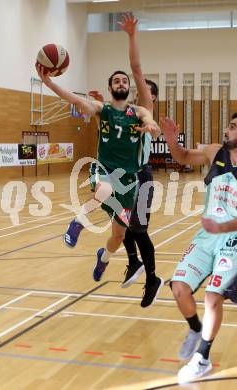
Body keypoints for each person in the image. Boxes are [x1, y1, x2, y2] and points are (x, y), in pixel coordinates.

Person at [160, 113, 237, 383]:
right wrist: (172, 140)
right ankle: (196, 328)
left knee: (213, 297)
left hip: (236, 238)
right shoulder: (214, 152)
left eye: (232, 127)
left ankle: (202, 358)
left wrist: (222, 228)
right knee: (179, 288)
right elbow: (184, 157)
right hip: (207, 235)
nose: (226, 129)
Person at [36, 64, 160, 285]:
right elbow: (75, 100)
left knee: (118, 236)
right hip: (104, 168)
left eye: (124, 81)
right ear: (110, 87)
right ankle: (77, 222)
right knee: (104, 189)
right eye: (117, 81)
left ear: (128, 88)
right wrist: (49, 83)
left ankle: (103, 258)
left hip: (129, 179)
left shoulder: (138, 112)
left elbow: (152, 123)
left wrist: (152, 128)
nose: (121, 83)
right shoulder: (102, 110)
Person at [118, 14, 164, 308]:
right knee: (120, 224)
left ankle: (152, 278)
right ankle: (133, 262)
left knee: (138, 230)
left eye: (144, 91)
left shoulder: (145, 108)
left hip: (142, 176)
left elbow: (135, 68)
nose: (138, 93)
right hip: (124, 174)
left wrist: (132, 36)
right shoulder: (127, 113)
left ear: (152, 98)